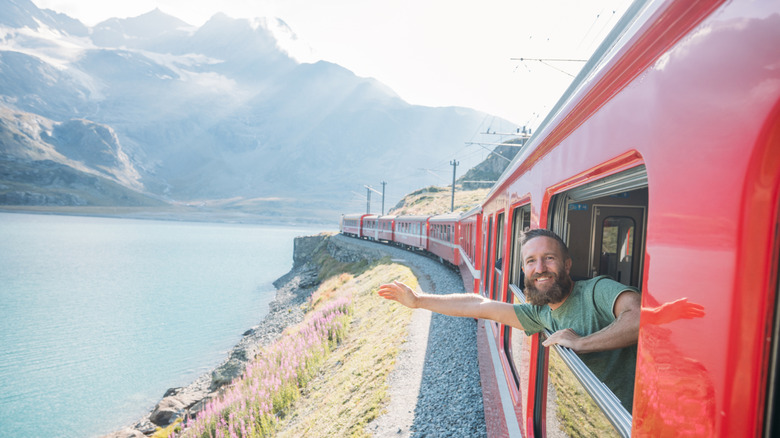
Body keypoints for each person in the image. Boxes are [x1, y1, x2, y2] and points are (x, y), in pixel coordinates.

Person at [377, 228, 641, 411]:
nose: (540, 269)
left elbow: (640, 316)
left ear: (567, 264)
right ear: (524, 269)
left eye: (549, 258)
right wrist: (419, 301)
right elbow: (479, 304)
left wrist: (582, 343)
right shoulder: (540, 313)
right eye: (531, 261)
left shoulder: (596, 290)